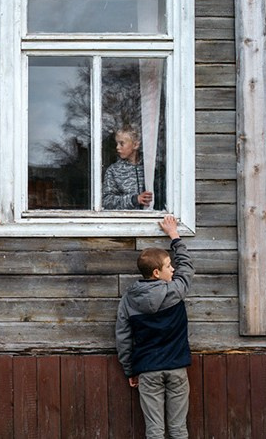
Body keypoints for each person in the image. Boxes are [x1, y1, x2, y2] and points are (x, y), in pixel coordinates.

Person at [115, 214, 194, 439]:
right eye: (169, 266)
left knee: (154, 431)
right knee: (179, 429)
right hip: (177, 368)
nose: (174, 270)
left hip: (148, 370)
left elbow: (123, 337)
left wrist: (130, 369)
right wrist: (174, 235)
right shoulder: (176, 291)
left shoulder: (129, 299)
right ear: (157, 273)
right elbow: (187, 267)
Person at [102, 127, 153, 209]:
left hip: (153, 218)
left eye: (121, 143)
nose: (117, 147)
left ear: (135, 145)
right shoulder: (114, 170)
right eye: (117, 144)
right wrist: (134, 200)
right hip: (126, 219)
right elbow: (106, 200)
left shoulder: (150, 167)